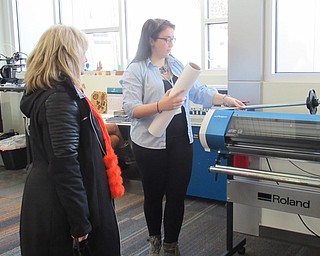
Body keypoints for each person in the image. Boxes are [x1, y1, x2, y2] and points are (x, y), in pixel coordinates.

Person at [119, 18, 245, 256]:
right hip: (150, 142)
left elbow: (198, 91)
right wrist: (160, 104)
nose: (170, 44)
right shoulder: (136, 69)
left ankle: (171, 246)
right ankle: (155, 242)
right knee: (154, 195)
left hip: (180, 140)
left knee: (177, 195)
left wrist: (225, 99)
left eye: (172, 39)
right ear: (151, 40)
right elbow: (131, 109)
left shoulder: (175, 64)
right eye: (166, 39)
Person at [19, 24, 124, 256]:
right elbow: (65, 163)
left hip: (52, 194)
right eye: (83, 52)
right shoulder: (59, 99)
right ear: (68, 54)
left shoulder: (52, 94)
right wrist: (80, 222)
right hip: (59, 203)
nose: (85, 58)